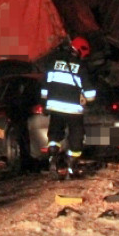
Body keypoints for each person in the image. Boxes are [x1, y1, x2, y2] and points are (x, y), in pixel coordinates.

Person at [42, 36, 97, 180]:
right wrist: (90, 102)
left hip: (55, 107)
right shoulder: (81, 66)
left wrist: (44, 104)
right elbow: (90, 93)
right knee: (76, 137)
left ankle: (52, 161)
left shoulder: (54, 62)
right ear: (81, 51)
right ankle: (71, 167)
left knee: (54, 135)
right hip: (73, 110)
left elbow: (45, 85)